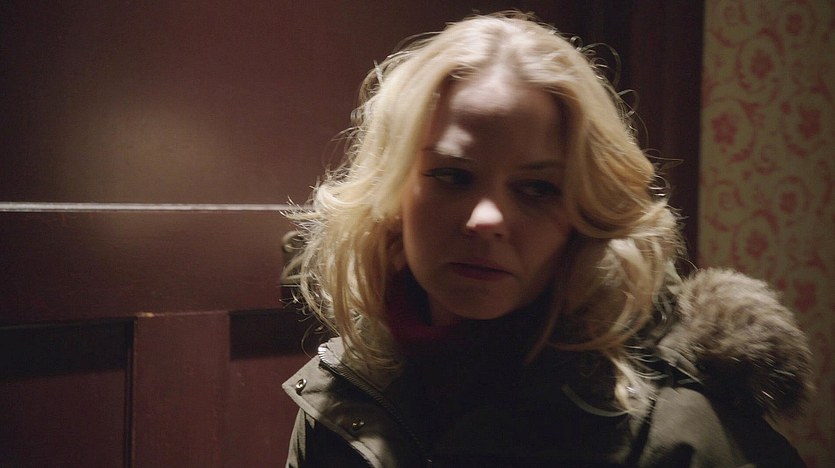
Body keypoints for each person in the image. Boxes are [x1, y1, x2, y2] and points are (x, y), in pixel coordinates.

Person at [282, 12, 813, 467]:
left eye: (537, 188)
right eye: (452, 176)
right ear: (392, 193)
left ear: (586, 214)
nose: (486, 219)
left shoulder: (676, 430)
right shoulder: (345, 395)